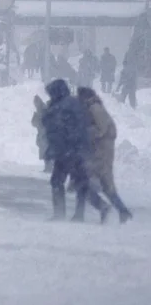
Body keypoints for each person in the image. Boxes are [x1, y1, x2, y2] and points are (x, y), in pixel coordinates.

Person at [42, 79, 110, 223]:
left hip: (69, 151)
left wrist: (62, 147)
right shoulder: (70, 104)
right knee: (78, 183)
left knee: (61, 181)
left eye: (51, 93)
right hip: (73, 151)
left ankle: (63, 213)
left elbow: (59, 128)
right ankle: (89, 210)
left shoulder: (64, 106)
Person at [77, 87, 133, 223]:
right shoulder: (93, 107)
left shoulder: (95, 108)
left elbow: (101, 129)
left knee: (85, 183)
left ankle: (106, 207)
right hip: (100, 152)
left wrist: (85, 132)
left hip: (101, 153)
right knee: (105, 185)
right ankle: (121, 211)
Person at [31, 95, 53, 173]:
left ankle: (49, 167)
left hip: (46, 134)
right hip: (42, 134)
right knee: (44, 151)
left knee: (47, 151)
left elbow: (45, 121)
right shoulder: (39, 111)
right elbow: (34, 123)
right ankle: (47, 166)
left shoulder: (44, 110)